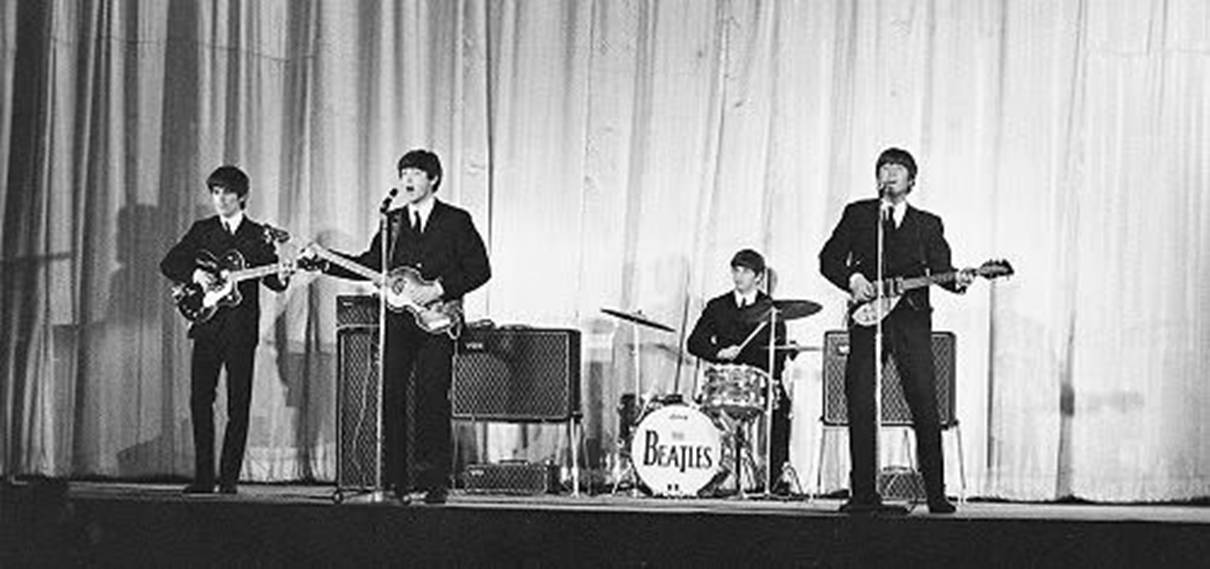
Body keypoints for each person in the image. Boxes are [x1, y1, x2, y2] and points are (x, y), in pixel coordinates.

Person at [309, 149, 490, 504]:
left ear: (433, 179)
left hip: (437, 320)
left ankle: (434, 479)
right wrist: (325, 262)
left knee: (431, 396)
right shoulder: (390, 222)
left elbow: (480, 269)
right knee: (390, 394)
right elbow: (370, 264)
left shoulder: (455, 220)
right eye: (404, 172)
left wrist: (436, 289)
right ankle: (396, 477)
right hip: (397, 323)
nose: (408, 180)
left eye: (416, 173)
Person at [818, 148, 971, 514]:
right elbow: (829, 259)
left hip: (912, 321)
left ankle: (935, 493)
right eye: (884, 168)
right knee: (860, 399)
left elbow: (941, 269)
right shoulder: (859, 214)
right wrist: (853, 278)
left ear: (911, 181)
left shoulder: (928, 223)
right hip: (867, 317)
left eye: (897, 169)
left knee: (924, 402)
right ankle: (863, 494)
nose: (889, 174)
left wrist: (960, 280)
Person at [160, 165, 291, 495]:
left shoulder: (257, 234)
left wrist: (286, 267)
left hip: (240, 330)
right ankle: (204, 476)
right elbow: (169, 263)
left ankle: (228, 478)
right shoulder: (202, 230)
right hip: (206, 326)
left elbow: (274, 281)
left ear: (242, 197)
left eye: (226, 193)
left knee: (238, 404)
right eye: (215, 193)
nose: (219, 199)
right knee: (200, 400)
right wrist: (196, 276)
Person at [687, 249, 792, 494]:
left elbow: (778, 355)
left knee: (782, 406)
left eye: (745, 271)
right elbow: (694, 343)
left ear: (758, 277)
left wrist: (763, 374)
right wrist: (719, 352)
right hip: (724, 382)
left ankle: (776, 478)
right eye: (735, 270)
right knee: (702, 408)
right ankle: (711, 474)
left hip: (759, 381)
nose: (738, 276)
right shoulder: (717, 306)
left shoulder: (773, 309)